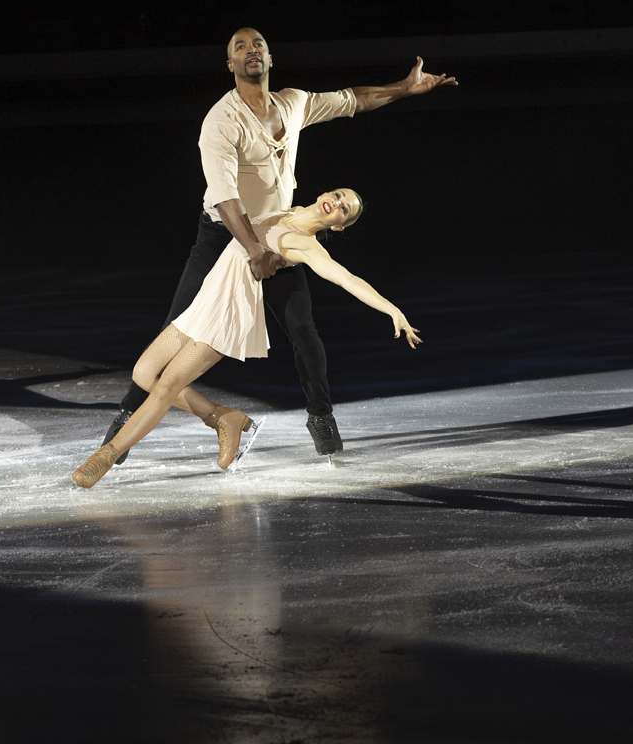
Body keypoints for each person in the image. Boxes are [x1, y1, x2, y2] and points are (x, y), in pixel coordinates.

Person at [103, 27, 455, 462]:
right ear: (230, 65)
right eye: (240, 47)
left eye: (258, 45)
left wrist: (406, 88)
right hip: (224, 238)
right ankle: (129, 415)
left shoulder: (293, 103)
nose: (251, 50)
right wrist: (253, 250)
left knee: (304, 331)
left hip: (279, 235)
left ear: (271, 58)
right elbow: (225, 196)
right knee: (171, 333)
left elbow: (353, 99)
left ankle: (321, 417)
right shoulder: (221, 120)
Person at [73, 188, 421, 488]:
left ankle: (105, 457)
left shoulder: (307, 247)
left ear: (338, 225)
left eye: (345, 208)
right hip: (205, 300)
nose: (337, 202)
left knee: (166, 387)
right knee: (144, 374)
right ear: (323, 194)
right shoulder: (282, 206)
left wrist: (392, 309)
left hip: (228, 314)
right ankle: (223, 417)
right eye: (338, 195)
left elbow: (347, 278)